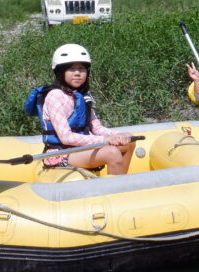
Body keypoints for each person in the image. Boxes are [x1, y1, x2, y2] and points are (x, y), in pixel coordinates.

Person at [26, 43, 135, 175]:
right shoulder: (55, 96)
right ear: (60, 72)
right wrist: (104, 140)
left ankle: (122, 183)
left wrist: (117, 135)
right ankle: (116, 190)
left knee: (129, 142)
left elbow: (97, 128)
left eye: (81, 69)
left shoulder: (82, 96)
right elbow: (66, 137)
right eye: (71, 69)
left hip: (80, 149)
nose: (77, 73)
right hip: (60, 153)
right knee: (111, 152)